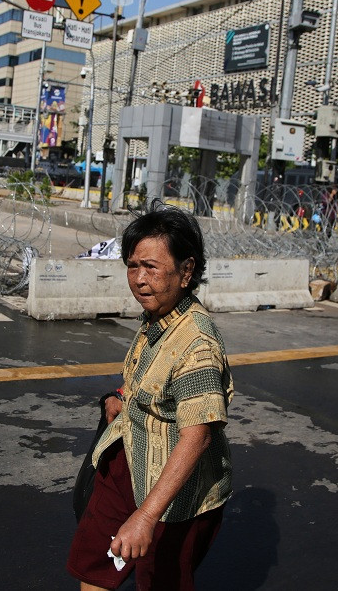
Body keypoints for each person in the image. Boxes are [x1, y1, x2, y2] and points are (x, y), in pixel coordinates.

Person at [67, 201, 234, 590]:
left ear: (186, 271)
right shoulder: (156, 318)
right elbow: (152, 380)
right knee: (94, 566)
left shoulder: (196, 344)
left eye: (152, 267)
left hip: (174, 496)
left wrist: (146, 516)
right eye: (132, 266)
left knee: (160, 581)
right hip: (128, 465)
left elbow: (197, 436)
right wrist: (122, 397)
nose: (139, 279)